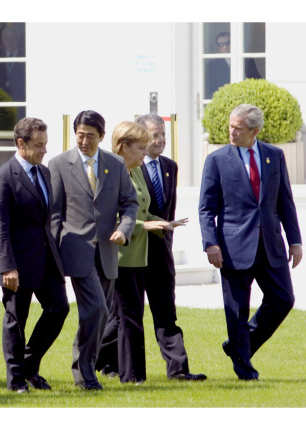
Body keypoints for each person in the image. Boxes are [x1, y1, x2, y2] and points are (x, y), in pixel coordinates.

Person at [198, 104, 302, 381]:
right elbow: (206, 207)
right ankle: (244, 367)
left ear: (255, 131)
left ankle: (238, 346)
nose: (232, 131)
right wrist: (210, 243)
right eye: (231, 126)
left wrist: (295, 241)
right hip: (232, 248)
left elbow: (285, 201)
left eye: (238, 128)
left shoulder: (274, 156)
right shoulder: (217, 160)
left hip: (270, 245)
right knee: (237, 310)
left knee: (283, 300)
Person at [49, 110, 138, 390]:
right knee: (97, 309)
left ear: (101, 136)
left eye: (90, 135)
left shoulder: (115, 164)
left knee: (100, 314)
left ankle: (86, 366)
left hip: (108, 251)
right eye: (80, 135)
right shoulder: (59, 164)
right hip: (75, 250)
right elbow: (54, 213)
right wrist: (52, 255)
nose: (84, 140)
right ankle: (84, 370)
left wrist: (124, 230)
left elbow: (129, 204)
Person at [96, 121, 188, 384]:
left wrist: (163, 224)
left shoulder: (134, 171)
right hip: (120, 255)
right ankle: (131, 376)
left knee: (130, 317)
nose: (144, 153)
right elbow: (108, 218)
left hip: (140, 254)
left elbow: (141, 209)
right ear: (123, 147)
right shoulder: (109, 173)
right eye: (141, 147)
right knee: (127, 318)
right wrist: (146, 225)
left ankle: (127, 372)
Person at [0, 117, 69, 393]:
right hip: (17, 264)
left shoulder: (44, 173)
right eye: (38, 145)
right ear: (20, 143)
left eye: (46, 144)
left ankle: (29, 365)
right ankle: (16, 380)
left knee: (59, 308)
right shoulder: (3, 177)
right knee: (16, 320)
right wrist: (6, 267)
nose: (45, 150)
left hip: (47, 260)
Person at [136, 114, 207, 381]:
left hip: (161, 254)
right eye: (155, 135)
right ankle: (107, 363)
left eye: (163, 134)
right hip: (133, 252)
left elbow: (168, 212)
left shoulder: (170, 167)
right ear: (141, 135)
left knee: (166, 312)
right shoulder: (128, 166)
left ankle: (178, 369)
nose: (161, 139)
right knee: (121, 317)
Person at [0, 26, 26, 103]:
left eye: (13, 39)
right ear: (2, 41)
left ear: (18, 40)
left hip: (20, 99)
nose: (10, 42)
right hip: (2, 100)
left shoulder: (24, 56)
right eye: (7, 39)